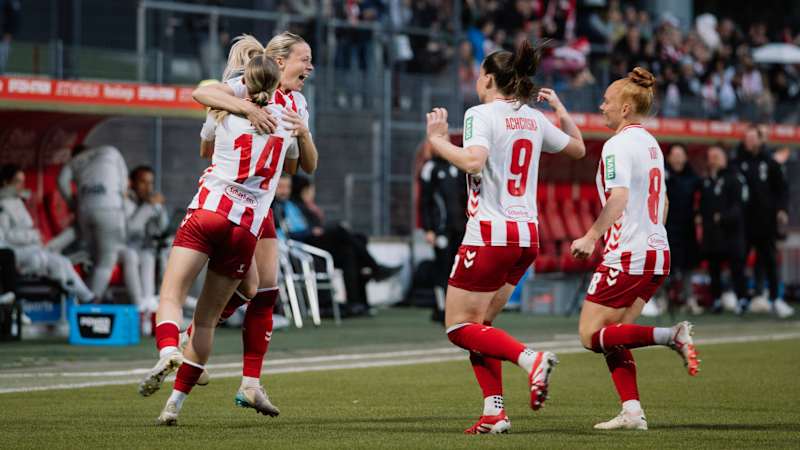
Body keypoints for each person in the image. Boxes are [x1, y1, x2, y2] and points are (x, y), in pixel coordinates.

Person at [426, 39, 586, 434]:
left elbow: (474, 160)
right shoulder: (533, 118)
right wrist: (562, 112)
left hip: (490, 233)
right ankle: (494, 411)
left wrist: (437, 141)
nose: (476, 80)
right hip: (526, 236)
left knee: (458, 327)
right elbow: (579, 149)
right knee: (482, 329)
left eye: (480, 74)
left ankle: (529, 359)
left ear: (489, 79)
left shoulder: (480, 113)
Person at [139, 55, 289, 426]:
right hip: (245, 229)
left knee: (171, 295)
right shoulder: (287, 122)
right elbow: (302, 162)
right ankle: (173, 404)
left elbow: (202, 102)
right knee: (205, 322)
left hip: (209, 212)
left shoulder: (221, 112)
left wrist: (235, 104)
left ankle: (168, 349)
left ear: (241, 82)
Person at [185, 32, 318, 413]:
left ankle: (250, 383)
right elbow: (203, 94)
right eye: (303, 59)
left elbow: (302, 165)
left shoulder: (297, 102)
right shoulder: (245, 88)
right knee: (252, 288)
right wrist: (247, 110)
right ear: (279, 62)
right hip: (229, 203)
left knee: (263, 291)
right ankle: (191, 338)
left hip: (262, 206)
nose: (309, 67)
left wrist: (300, 137)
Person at [570, 67, 700, 431]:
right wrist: (651, 233)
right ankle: (632, 411)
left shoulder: (617, 145)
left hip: (629, 253)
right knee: (615, 336)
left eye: (607, 101)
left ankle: (669, 335)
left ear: (625, 108)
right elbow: (665, 204)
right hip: (658, 252)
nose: (601, 107)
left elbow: (619, 197)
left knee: (589, 335)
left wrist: (591, 237)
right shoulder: (652, 145)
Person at [272, 174, 398, 315]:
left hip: (313, 241)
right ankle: (375, 267)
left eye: (287, 187)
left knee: (350, 249)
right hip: (300, 244)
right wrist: (309, 231)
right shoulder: (273, 206)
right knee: (339, 230)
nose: (284, 191)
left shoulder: (292, 205)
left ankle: (355, 303)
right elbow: (282, 235)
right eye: (280, 187)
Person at [57, 144, 143, 306]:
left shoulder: (74, 162)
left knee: (115, 257)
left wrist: (73, 203)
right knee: (106, 260)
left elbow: (61, 181)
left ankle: (138, 307)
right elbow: (124, 185)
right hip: (109, 210)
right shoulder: (110, 150)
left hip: (84, 212)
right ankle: (89, 306)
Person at [0, 165, 93, 303]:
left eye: (22, 181)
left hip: (32, 248)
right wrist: (33, 236)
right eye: (17, 181)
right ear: (6, 182)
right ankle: (74, 294)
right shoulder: (3, 205)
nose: (21, 185)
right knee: (43, 259)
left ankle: (86, 297)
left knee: (64, 261)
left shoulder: (18, 201)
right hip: (15, 252)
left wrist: (35, 237)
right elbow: (5, 237)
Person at [733, 125, 793, 318]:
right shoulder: (738, 162)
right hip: (744, 223)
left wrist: (781, 210)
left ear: (760, 140)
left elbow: (782, 189)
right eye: (747, 138)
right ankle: (742, 299)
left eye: (753, 137)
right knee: (740, 260)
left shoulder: (771, 162)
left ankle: (776, 299)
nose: (749, 141)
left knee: (769, 260)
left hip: (766, 222)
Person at [419, 144, 467, 322]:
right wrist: (429, 229)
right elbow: (424, 202)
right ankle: (442, 309)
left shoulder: (457, 166)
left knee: (460, 269)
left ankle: (459, 309)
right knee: (442, 268)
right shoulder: (430, 168)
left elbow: (466, 196)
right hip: (441, 230)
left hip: (460, 228)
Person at [698, 145, 749, 313]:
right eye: (710, 156)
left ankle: (742, 299)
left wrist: (723, 217)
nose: (713, 159)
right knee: (714, 269)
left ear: (724, 158)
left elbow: (739, 206)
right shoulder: (706, 181)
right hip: (713, 235)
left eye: (716, 156)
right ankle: (717, 300)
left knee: (737, 268)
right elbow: (703, 207)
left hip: (732, 233)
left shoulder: (734, 178)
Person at [663, 143, 701, 314]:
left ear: (686, 157)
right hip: (665, 227)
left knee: (688, 265)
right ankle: (663, 300)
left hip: (687, 227)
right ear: (669, 157)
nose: (678, 157)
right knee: (664, 266)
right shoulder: (662, 176)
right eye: (674, 154)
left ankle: (689, 298)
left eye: (681, 154)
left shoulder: (694, 179)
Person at [125, 165, 169, 307]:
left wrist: (159, 209)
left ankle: (157, 302)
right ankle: (144, 305)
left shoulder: (149, 202)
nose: (148, 187)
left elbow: (163, 227)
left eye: (150, 183)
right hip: (126, 249)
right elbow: (131, 229)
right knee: (145, 255)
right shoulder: (126, 201)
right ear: (132, 183)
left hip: (146, 250)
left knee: (163, 251)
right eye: (143, 182)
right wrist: (148, 207)